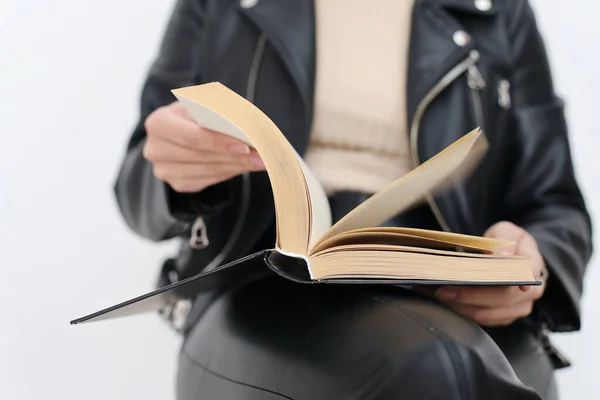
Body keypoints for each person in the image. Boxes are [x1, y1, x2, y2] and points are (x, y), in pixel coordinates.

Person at [113, 0, 593, 398]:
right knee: (435, 372)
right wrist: (173, 173)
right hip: (261, 278)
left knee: (466, 371)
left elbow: (554, 202)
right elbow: (136, 187)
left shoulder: (497, 9)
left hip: (446, 281)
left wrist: (531, 260)